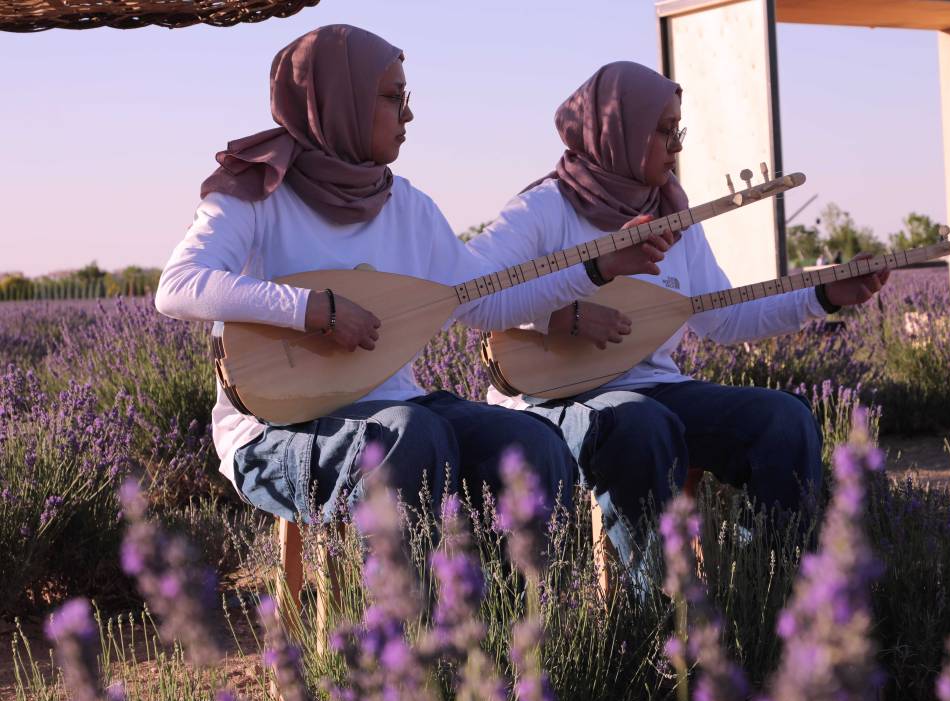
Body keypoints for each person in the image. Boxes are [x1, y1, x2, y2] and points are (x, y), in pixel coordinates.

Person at [154, 27, 672, 524]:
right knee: (412, 433)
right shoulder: (257, 191)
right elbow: (177, 286)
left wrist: (598, 268)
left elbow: (486, 301)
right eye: (391, 98)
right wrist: (313, 310)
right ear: (341, 101)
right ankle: (405, 613)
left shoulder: (409, 207)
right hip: (274, 428)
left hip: (398, 411)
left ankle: (522, 608)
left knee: (532, 442)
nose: (409, 114)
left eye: (407, 97)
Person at [467, 61, 889, 578]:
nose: (678, 146)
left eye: (679, 130)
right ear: (617, 131)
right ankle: (660, 614)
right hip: (551, 399)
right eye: (665, 131)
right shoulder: (544, 208)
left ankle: (772, 593)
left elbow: (724, 318)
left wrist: (823, 294)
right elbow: (472, 293)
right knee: (642, 423)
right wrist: (558, 314)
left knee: (784, 419)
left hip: (654, 390)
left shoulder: (673, 216)